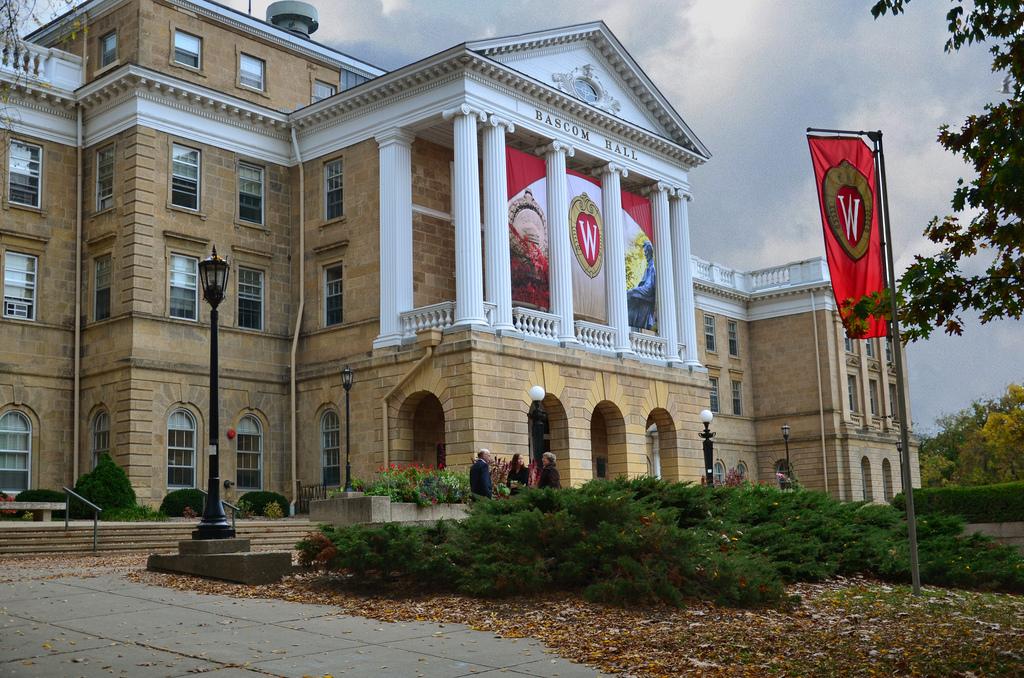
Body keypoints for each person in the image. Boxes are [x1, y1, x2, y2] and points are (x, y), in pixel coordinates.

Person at [627, 239, 656, 330]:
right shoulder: (648, 267)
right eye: (645, 252)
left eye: (646, 252)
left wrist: (632, 291)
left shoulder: (652, 268)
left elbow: (648, 289)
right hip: (642, 303)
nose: (645, 254)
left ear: (650, 252)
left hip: (645, 305)